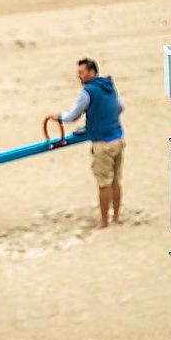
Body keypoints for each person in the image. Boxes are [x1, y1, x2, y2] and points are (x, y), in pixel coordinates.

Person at [51, 58, 125, 229]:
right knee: (116, 180)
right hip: (118, 138)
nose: (79, 77)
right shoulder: (109, 86)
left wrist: (58, 116)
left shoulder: (88, 91)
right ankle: (117, 217)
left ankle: (104, 221)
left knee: (103, 183)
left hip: (102, 143)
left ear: (92, 72)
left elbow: (72, 116)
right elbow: (120, 107)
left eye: (81, 73)